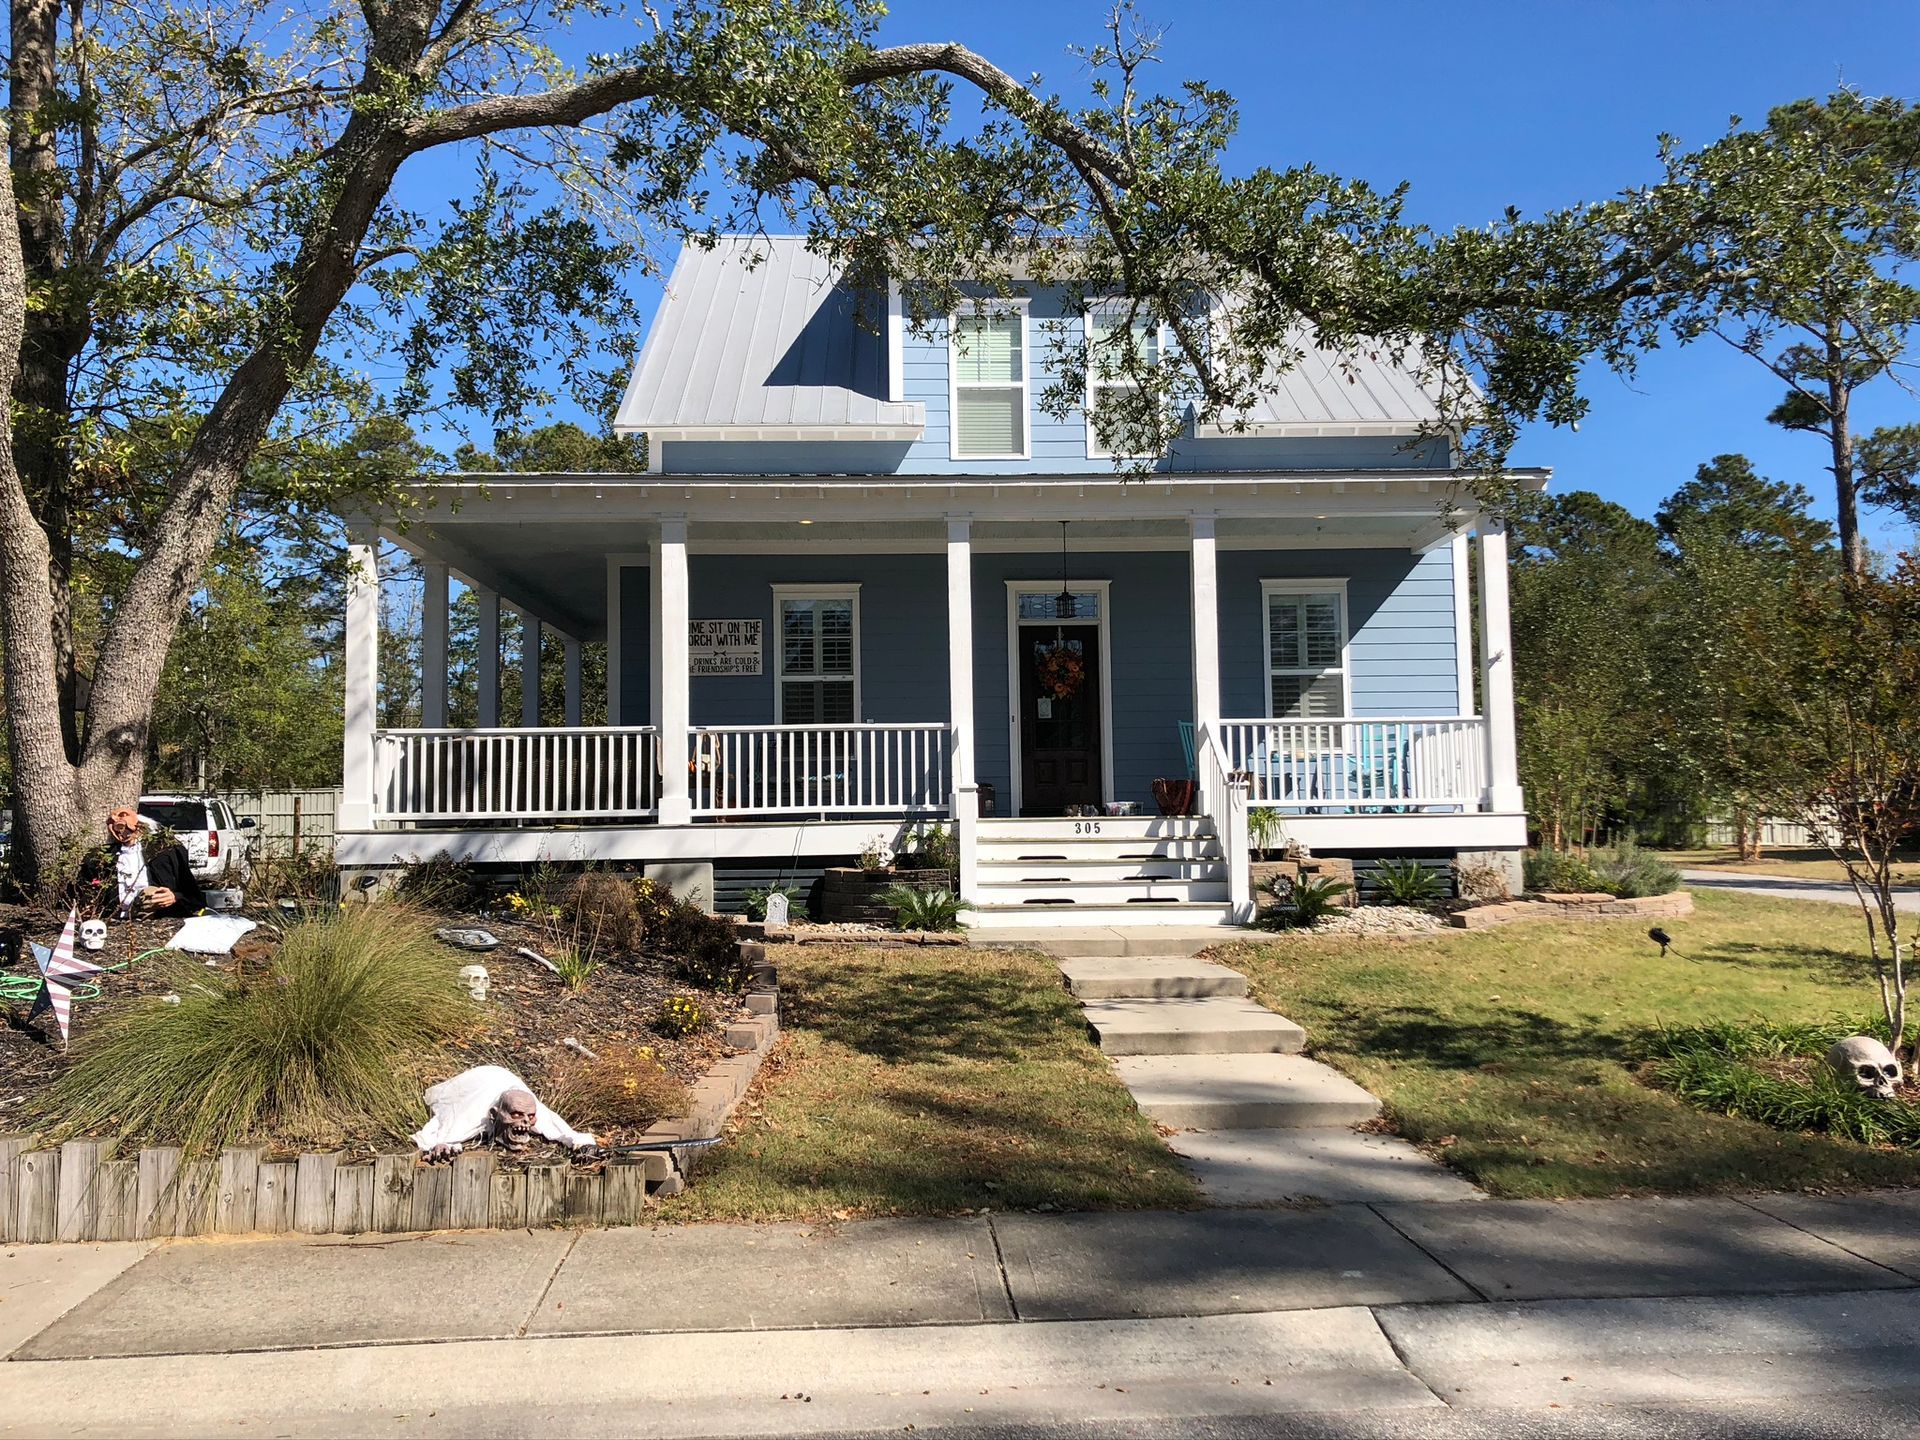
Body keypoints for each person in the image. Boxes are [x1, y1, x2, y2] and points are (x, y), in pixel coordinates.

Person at [83, 806, 204, 919]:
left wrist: (174, 897)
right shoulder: (100, 857)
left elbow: (191, 893)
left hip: (159, 919)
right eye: (114, 824)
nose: (122, 831)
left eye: (123, 819)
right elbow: (86, 890)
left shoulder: (165, 851)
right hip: (115, 920)